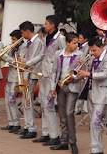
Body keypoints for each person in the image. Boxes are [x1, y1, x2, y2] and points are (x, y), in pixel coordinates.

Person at [33, 15, 65, 146]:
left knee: (50, 106)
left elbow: (63, 57)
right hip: (44, 75)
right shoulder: (46, 37)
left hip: (53, 77)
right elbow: (42, 55)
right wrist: (28, 63)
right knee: (43, 105)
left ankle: (54, 135)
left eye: (46, 23)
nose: (44, 25)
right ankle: (45, 133)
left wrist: (59, 78)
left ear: (53, 25)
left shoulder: (61, 39)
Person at [78, 38, 107, 154]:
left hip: (102, 94)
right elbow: (88, 74)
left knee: (95, 122)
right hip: (91, 93)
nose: (92, 53)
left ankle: (95, 150)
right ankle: (98, 149)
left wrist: (88, 73)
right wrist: (83, 67)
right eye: (91, 51)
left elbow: (105, 74)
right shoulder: (93, 59)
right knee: (94, 123)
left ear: (101, 48)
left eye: (94, 50)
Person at [50, 32, 83, 153]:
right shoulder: (58, 54)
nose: (76, 45)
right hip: (60, 86)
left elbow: (82, 72)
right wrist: (52, 88)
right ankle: (64, 141)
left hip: (72, 87)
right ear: (67, 43)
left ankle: (73, 142)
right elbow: (54, 72)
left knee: (69, 113)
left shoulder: (80, 54)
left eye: (77, 43)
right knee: (62, 114)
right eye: (74, 43)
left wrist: (74, 78)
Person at [16, 21, 44, 139]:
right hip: (27, 73)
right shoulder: (30, 42)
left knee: (28, 101)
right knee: (25, 101)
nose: (22, 35)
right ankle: (27, 126)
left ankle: (31, 128)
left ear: (27, 31)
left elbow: (34, 59)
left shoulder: (37, 42)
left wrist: (25, 66)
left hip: (31, 74)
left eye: (23, 33)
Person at [0, 29, 24, 133]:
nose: (12, 41)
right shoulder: (12, 49)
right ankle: (11, 122)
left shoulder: (23, 48)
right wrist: (1, 56)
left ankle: (17, 123)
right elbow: (8, 59)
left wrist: (6, 57)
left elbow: (17, 62)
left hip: (16, 77)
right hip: (9, 76)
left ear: (19, 39)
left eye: (14, 39)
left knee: (11, 99)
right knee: (7, 100)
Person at [75, 31, 90, 115]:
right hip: (79, 69)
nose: (79, 40)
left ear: (85, 39)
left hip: (85, 69)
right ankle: (78, 107)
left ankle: (84, 108)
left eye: (81, 38)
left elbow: (88, 58)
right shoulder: (79, 47)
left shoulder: (87, 47)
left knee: (84, 89)